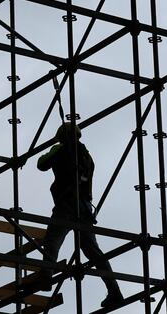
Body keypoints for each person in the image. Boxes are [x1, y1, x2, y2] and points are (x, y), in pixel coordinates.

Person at [36, 122, 124, 309]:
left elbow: (41, 164)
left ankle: (45, 276)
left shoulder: (61, 149)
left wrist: (56, 149)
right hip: (84, 209)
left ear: (62, 137)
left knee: (52, 240)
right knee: (94, 253)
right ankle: (114, 291)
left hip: (67, 206)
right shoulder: (87, 157)